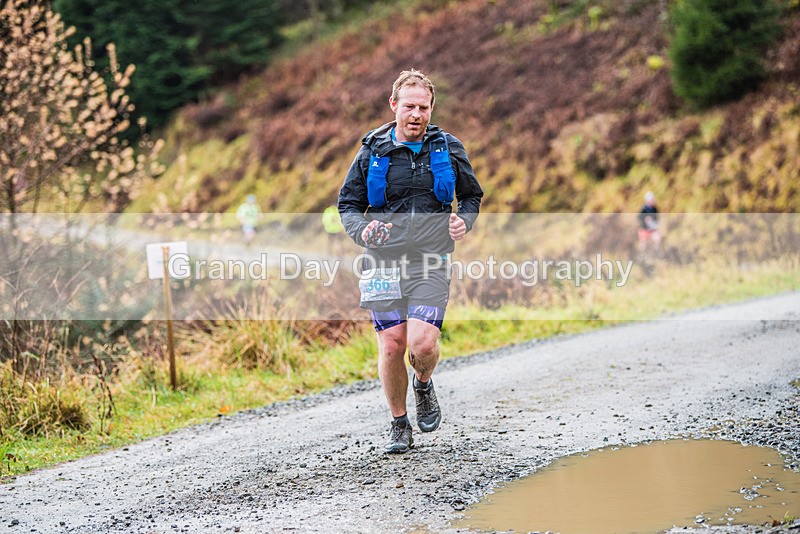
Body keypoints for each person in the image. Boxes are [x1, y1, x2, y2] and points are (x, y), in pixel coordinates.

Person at [338, 69, 483, 454]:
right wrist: (362, 232)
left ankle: (423, 383)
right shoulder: (372, 149)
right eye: (409, 106)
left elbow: (471, 196)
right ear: (394, 106)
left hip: (431, 260)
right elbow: (348, 205)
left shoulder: (448, 147)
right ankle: (399, 423)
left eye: (423, 107)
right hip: (382, 262)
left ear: (431, 108)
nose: (416, 114)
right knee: (391, 345)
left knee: (422, 343)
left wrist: (462, 220)